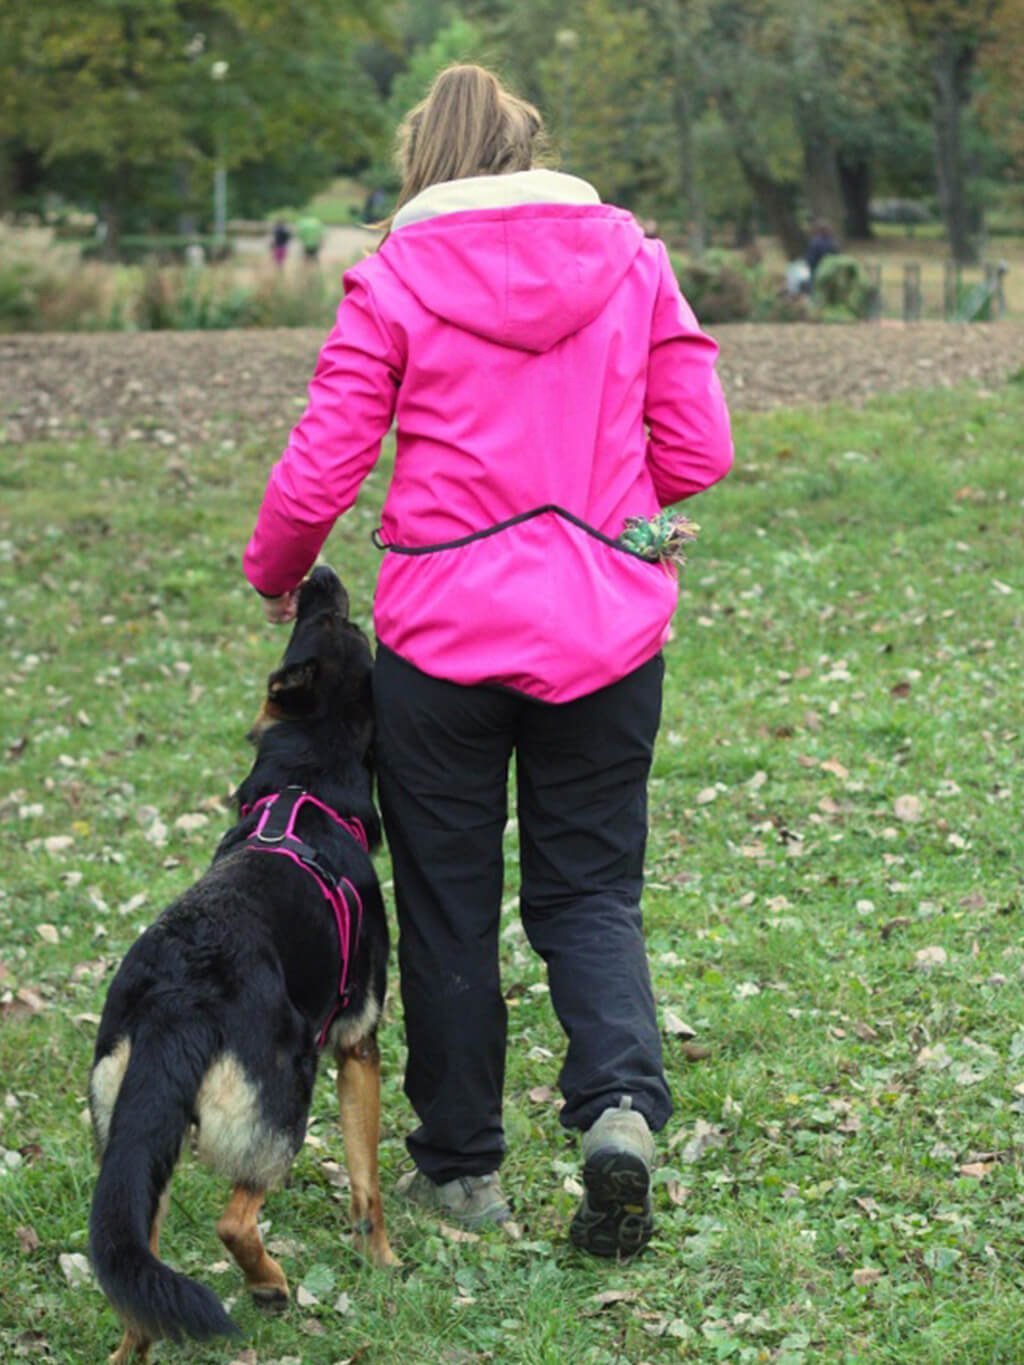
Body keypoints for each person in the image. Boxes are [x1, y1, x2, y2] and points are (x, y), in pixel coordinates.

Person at [243, 64, 733, 1258]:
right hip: (607, 631)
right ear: (527, 147)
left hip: (443, 643)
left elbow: (325, 462)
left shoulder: (395, 278)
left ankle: (461, 1174)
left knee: (451, 905)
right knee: (590, 892)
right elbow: (700, 448)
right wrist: (611, 513)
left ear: (425, 160)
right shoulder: (634, 261)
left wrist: (274, 573)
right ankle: (617, 1107)